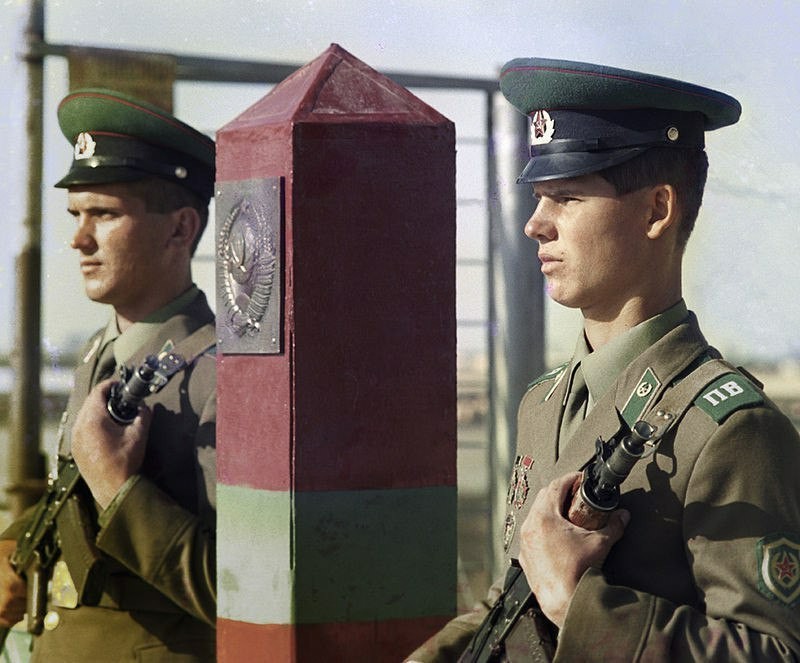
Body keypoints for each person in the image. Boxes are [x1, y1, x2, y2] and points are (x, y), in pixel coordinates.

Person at [407, 58, 800, 661]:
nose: (536, 224)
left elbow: (774, 652)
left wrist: (580, 607)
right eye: (539, 198)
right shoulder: (544, 403)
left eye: (565, 197)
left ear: (656, 210)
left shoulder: (729, 430)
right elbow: (512, 602)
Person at [0, 88, 217, 661]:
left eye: (105, 214)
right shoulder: (100, 351)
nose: (78, 239)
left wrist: (119, 488)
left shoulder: (221, 376)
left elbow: (239, 591)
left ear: (179, 229)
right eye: (77, 214)